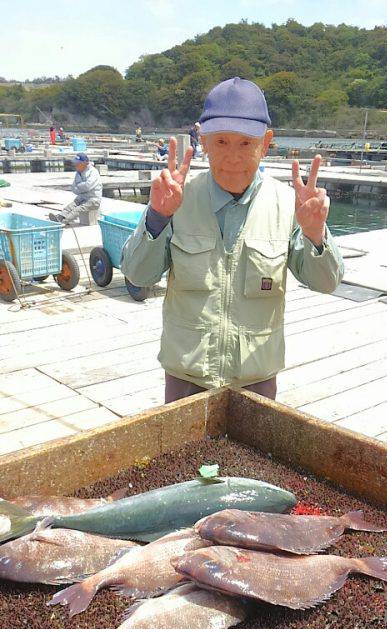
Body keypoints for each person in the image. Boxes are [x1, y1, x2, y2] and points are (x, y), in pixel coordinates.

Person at [121, 77, 344, 403]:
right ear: (203, 142)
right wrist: (157, 217)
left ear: (266, 143)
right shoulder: (175, 199)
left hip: (256, 383)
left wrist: (315, 234)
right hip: (186, 380)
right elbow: (137, 275)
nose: (233, 157)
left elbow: (326, 282)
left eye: (245, 143)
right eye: (221, 142)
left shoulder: (289, 205)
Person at [49, 153, 102, 225]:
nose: (75, 165)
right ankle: (60, 216)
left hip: (93, 199)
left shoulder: (93, 172)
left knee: (78, 209)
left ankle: (64, 221)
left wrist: (79, 187)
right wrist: (80, 188)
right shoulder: (78, 173)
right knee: (71, 205)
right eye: (75, 163)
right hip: (82, 197)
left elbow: (88, 186)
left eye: (77, 164)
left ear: (84, 163)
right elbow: (73, 188)